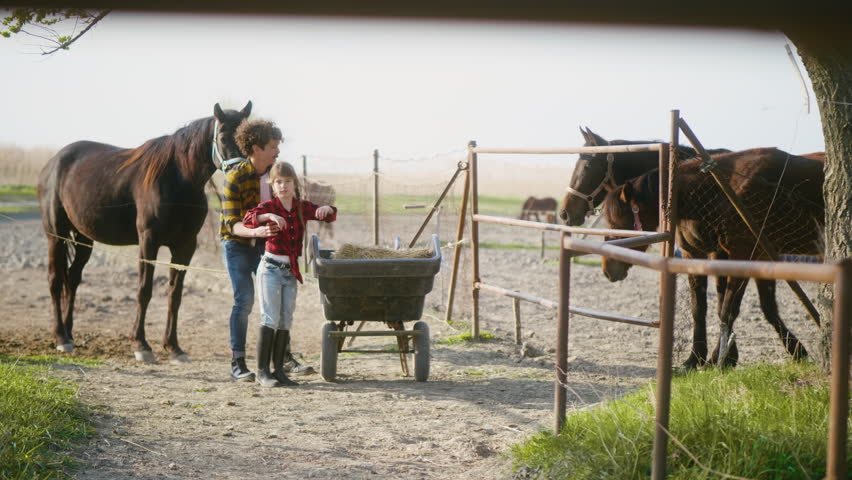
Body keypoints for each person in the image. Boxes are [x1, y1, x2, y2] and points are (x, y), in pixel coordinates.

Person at [243, 161, 337, 387]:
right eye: (278, 182)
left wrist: (327, 210)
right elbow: (248, 219)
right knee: (270, 318)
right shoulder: (268, 206)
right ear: (272, 185)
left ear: (294, 184)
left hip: (290, 272)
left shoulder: (301, 207)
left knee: (285, 319)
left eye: (287, 181)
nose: (283, 186)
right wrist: (268, 218)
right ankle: (262, 371)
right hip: (271, 269)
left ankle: (279, 370)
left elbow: (327, 214)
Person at [220, 118, 281, 382]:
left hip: (266, 245)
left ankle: (283, 358)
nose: (277, 151)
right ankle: (238, 363)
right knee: (244, 300)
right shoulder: (235, 178)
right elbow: (232, 224)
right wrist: (255, 231)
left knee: (275, 299)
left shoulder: (277, 177)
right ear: (256, 148)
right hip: (239, 246)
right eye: (272, 146)